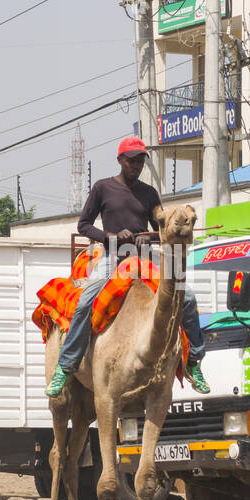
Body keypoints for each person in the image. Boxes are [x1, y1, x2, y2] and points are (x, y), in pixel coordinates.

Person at [47, 136, 209, 397]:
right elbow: (84, 225)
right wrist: (111, 237)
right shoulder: (102, 188)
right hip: (114, 256)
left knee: (187, 297)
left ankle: (194, 363)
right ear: (120, 160)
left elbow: (161, 230)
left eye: (141, 159)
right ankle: (66, 366)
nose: (136, 164)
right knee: (86, 301)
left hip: (145, 257)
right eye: (131, 160)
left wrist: (150, 235)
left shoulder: (149, 193)